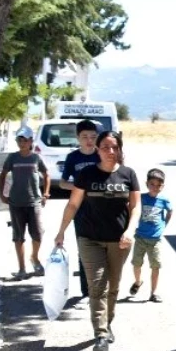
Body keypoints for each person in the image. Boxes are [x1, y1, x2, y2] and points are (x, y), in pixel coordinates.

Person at [53, 131, 140, 351]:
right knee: (97, 286)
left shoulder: (128, 174)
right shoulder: (86, 174)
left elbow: (135, 207)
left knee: (113, 287)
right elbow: (73, 205)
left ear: (120, 149)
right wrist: (61, 230)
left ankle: (107, 323)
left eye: (114, 147)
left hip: (120, 241)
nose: (110, 152)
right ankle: (100, 333)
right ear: (98, 150)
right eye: (105, 147)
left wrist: (130, 230)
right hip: (89, 237)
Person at [0, 126, 50, 279]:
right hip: (16, 202)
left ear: (31, 142)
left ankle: (34, 257)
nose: (22, 143)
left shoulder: (36, 158)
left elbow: (46, 174)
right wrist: (2, 194)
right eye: (20, 140)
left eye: (25, 140)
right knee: (18, 237)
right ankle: (22, 268)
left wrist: (46, 193)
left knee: (38, 234)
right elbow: (2, 175)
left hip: (34, 201)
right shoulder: (12, 158)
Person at [62, 119, 101, 297]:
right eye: (84, 137)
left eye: (93, 137)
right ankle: (86, 290)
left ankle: (100, 286)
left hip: (102, 209)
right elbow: (63, 183)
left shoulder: (101, 155)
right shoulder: (73, 158)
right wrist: (79, 187)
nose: (89, 140)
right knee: (84, 249)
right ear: (78, 138)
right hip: (80, 210)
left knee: (103, 248)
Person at [128, 168, 172, 303]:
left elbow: (170, 211)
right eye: (152, 184)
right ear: (146, 184)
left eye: (159, 185)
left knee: (156, 266)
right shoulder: (141, 198)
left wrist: (164, 224)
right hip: (140, 237)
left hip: (155, 240)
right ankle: (137, 281)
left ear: (163, 186)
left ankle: (154, 293)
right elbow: (132, 208)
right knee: (137, 264)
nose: (155, 188)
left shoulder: (164, 200)